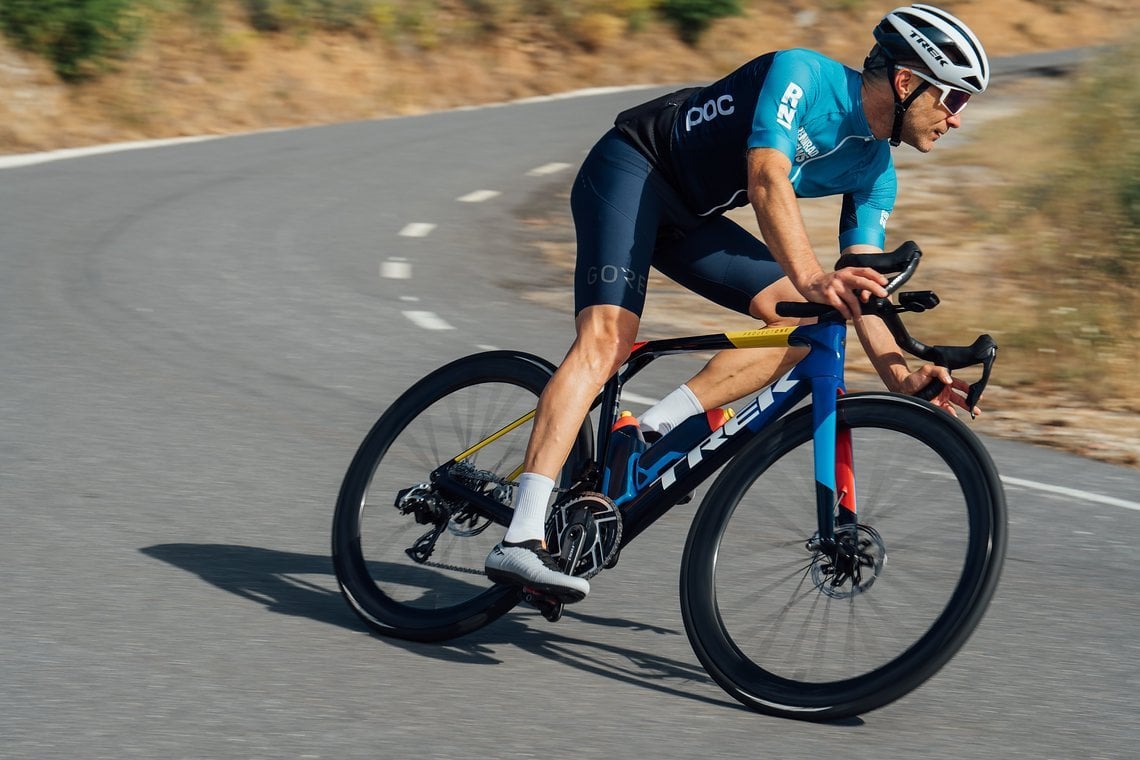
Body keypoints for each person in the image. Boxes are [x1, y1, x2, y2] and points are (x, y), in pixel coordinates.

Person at [484, 3, 990, 602]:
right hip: (632, 170)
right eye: (953, 100)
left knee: (810, 324)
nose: (955, 120)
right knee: (607, 341)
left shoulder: (876, 172)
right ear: (907, 82)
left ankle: (649, 431)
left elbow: (861, 286)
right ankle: (519, 537)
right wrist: (808, 275)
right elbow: (766, 180)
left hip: (694, 217)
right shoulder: (801, 73)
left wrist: (900, 374)